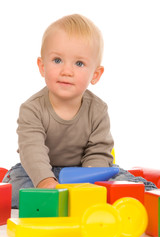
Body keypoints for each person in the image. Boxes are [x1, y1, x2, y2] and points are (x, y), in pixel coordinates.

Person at [2, 14, 157, 208]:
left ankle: (149, 195)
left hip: (85, 172)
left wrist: (87, 182)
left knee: (121, 182)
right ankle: (55, 197)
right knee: (14, 187)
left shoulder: (98, 109)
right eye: (57, 60)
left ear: (95, 74)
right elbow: (32, 151)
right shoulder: (31, 109)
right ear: (42, 66)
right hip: (39, 171)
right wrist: (46, 182)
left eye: (79, 63)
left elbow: (99, 151)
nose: (67, 71)